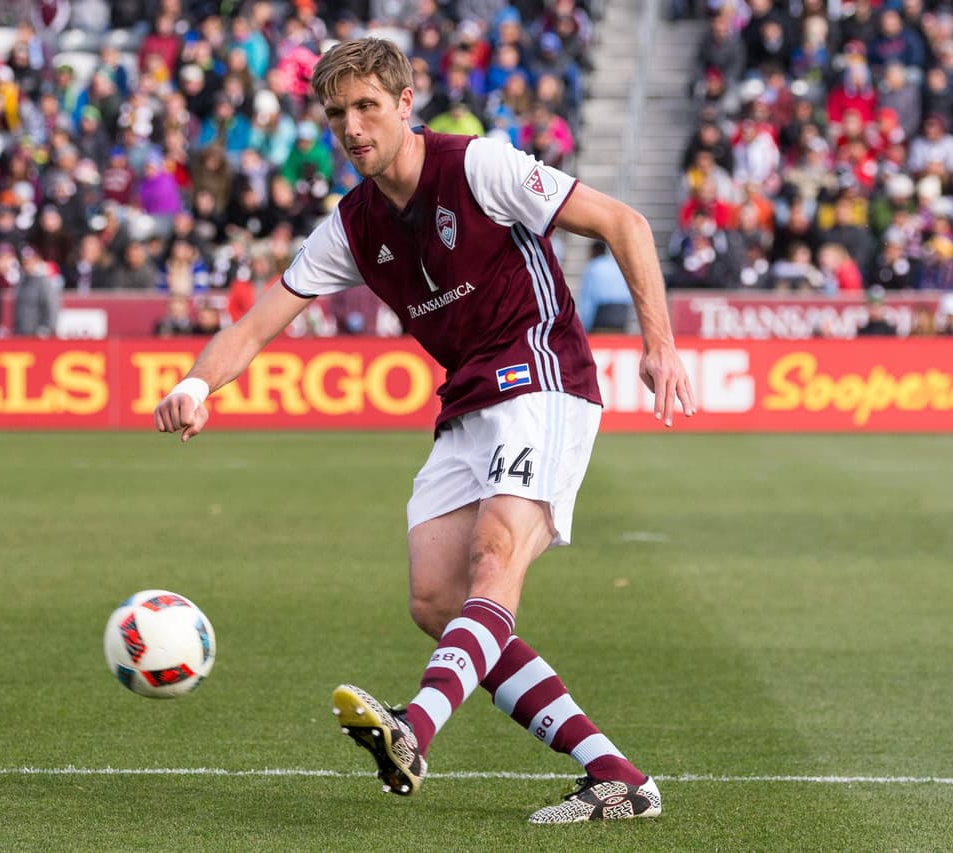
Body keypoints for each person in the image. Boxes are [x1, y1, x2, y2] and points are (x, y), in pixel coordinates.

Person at [153, 38, 696, 824]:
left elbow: (624, 221)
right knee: (437, 598)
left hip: (542, 373)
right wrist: (196, 383)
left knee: (494, 557)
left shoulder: (479, 167)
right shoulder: (352, 225)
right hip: (467, 395)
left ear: (405, 104)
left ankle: (414, 726)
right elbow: (254, 326)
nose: (353, 126)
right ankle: (618, 776)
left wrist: (659, 344)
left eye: (367, 106)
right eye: (337, 113)